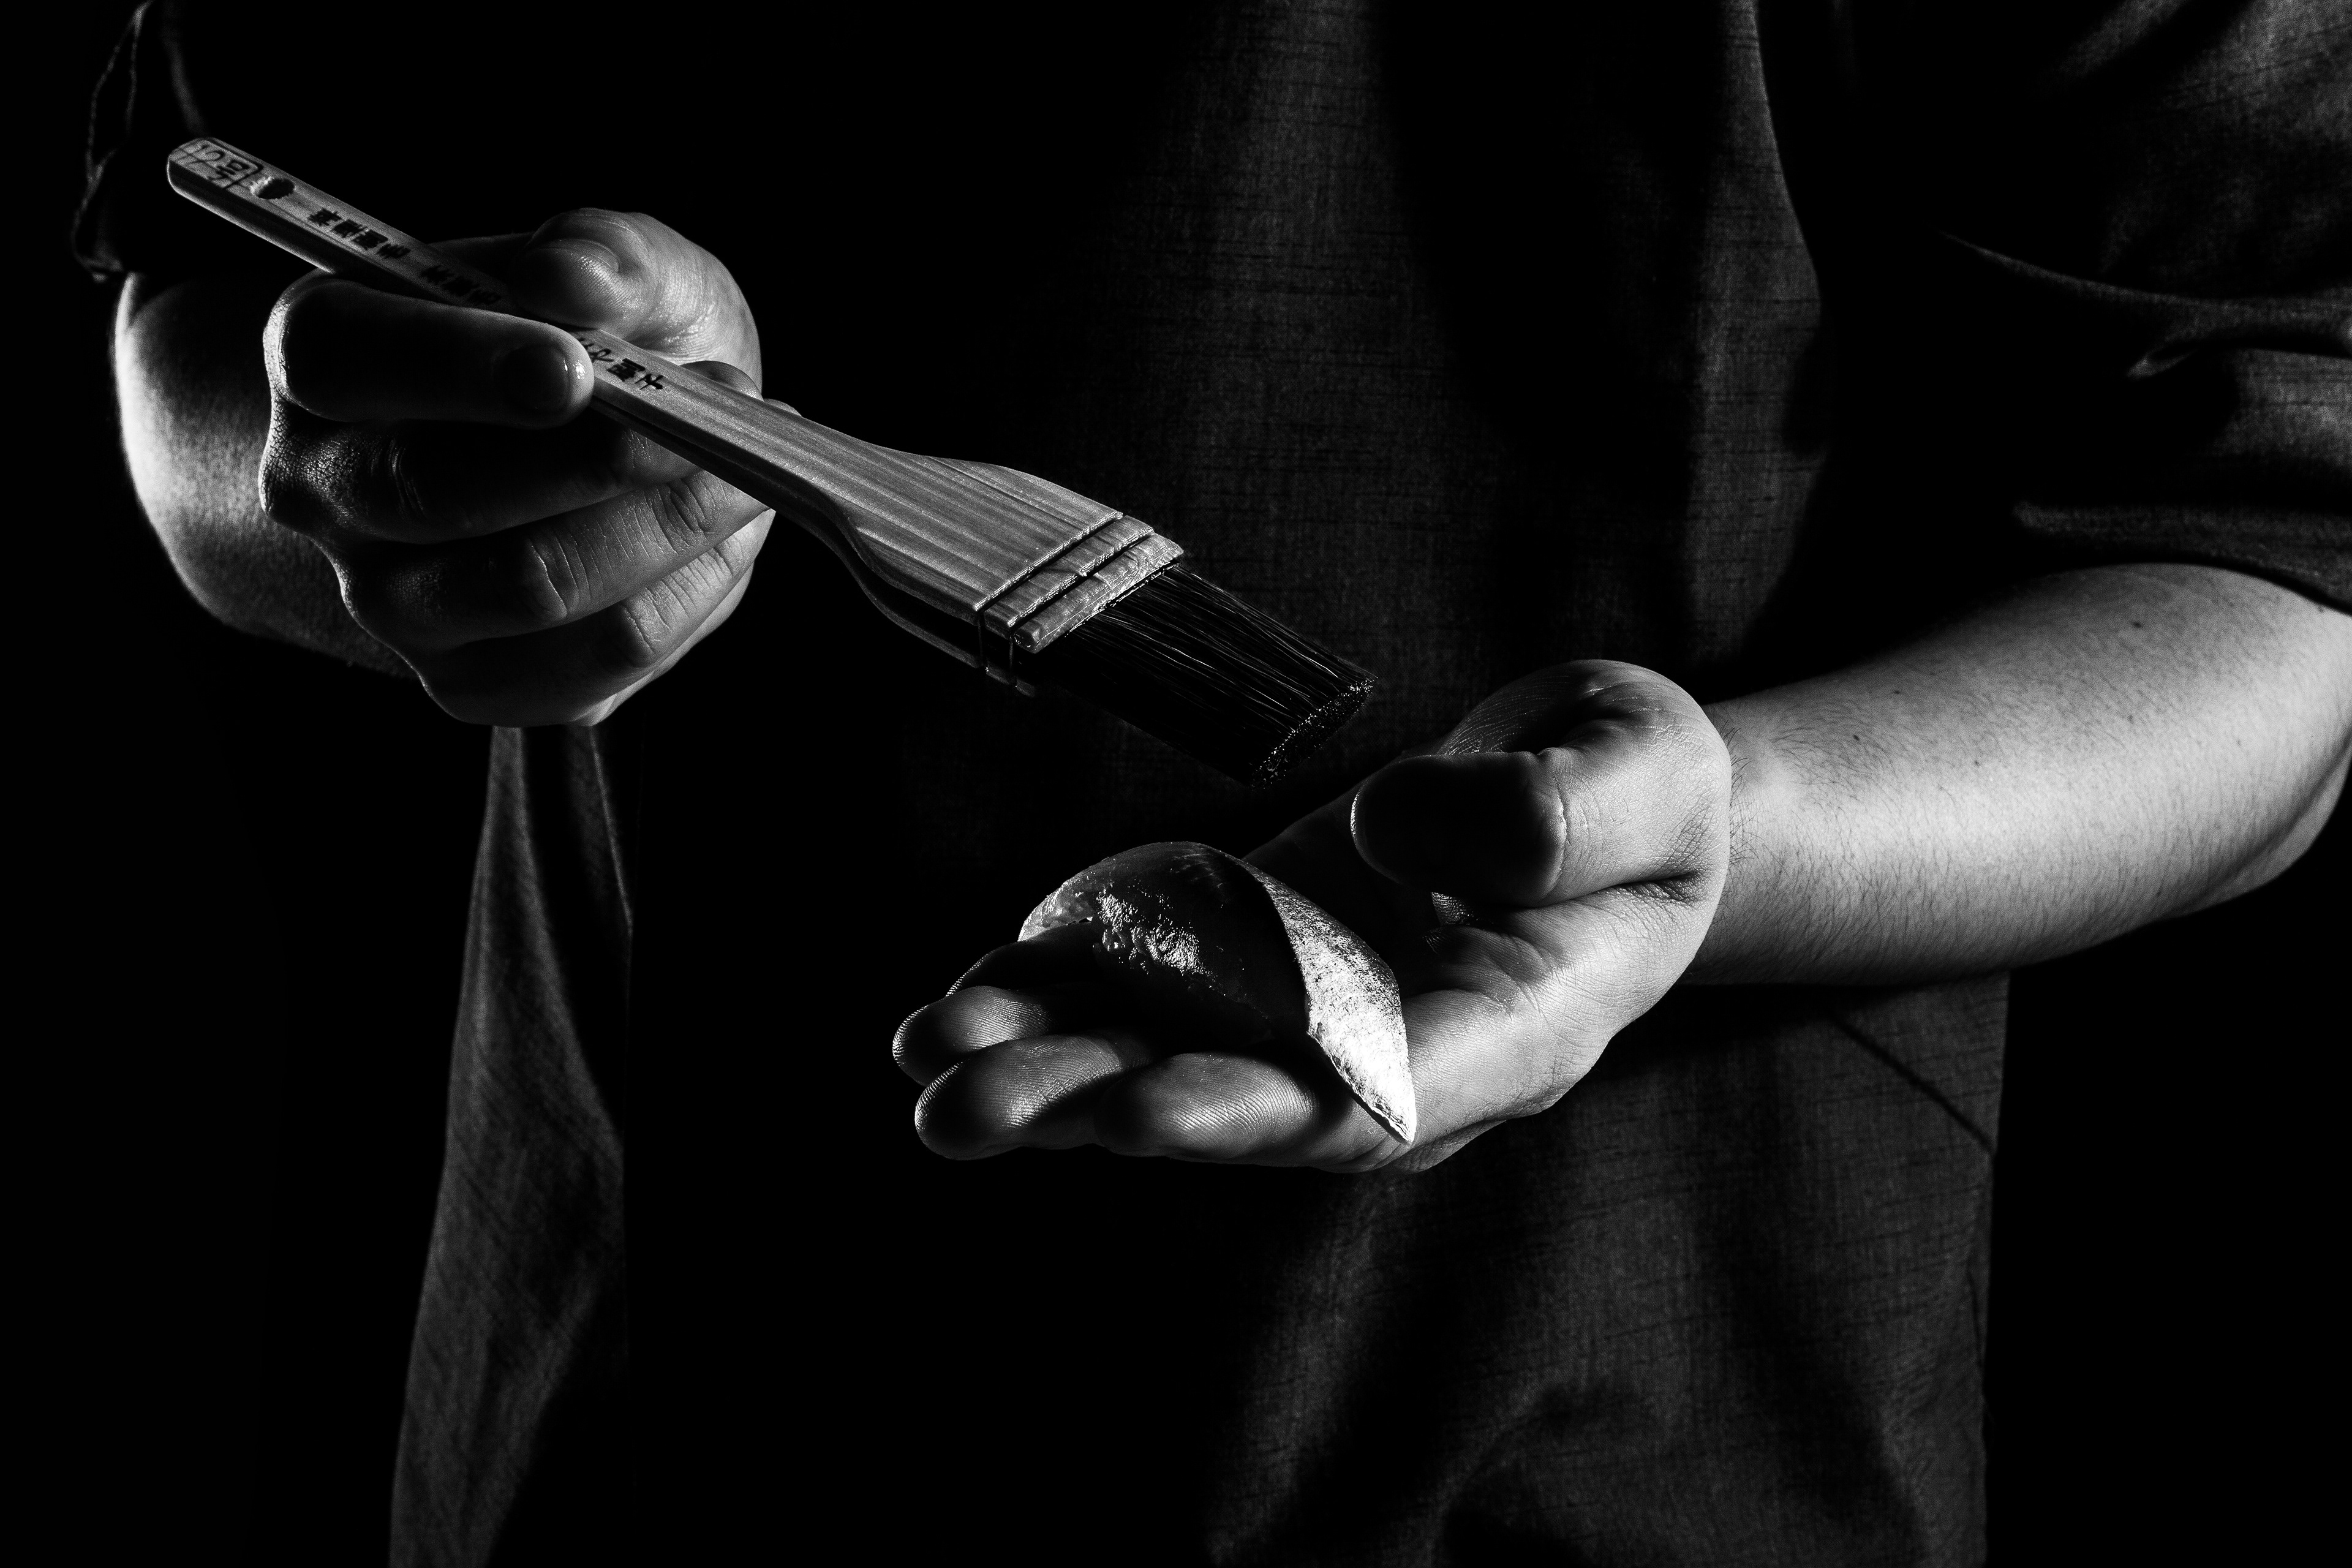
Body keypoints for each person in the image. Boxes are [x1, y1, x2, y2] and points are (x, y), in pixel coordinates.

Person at [86, 0, 2350, 1561]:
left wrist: (1728, 832)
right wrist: (389, 489)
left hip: (1643, 1441)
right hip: (655, 1380)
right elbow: (201, 327)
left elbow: (2285, 568)